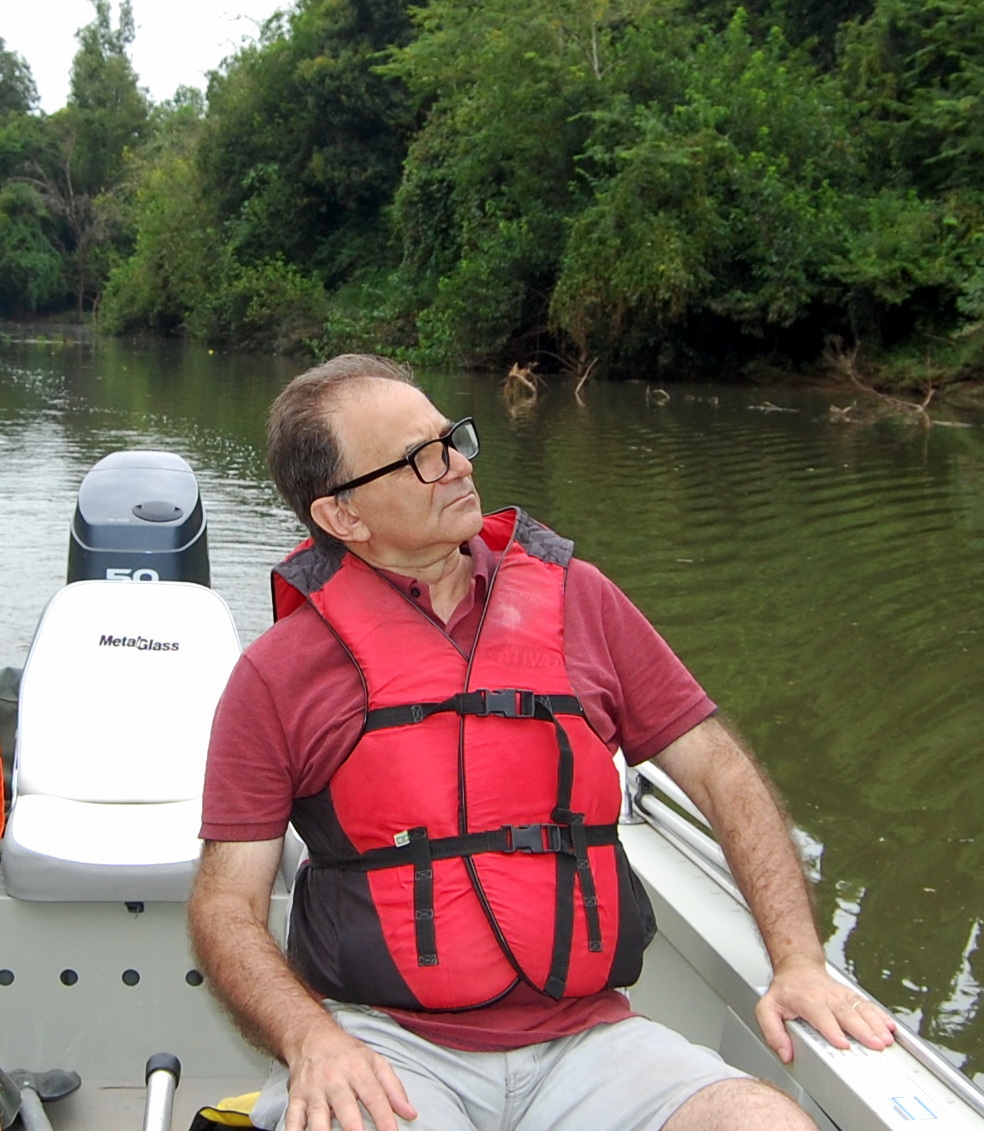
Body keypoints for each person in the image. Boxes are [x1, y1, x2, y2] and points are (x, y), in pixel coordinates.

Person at [188, 354, 896, 1131]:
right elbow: (226, 904)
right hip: (387, 1046)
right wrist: (310, 1037)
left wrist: (798, 960)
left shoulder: (580, 600)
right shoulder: (275, 674)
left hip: (592, 1041)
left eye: (451, 437)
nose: (456, 464)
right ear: (343, 517)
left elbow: (722, 770)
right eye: (420, 458)